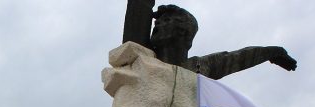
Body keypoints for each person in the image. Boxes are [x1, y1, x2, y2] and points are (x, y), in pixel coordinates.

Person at [122, 0, 297, 78]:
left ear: (184, 32)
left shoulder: (198, 67)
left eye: (166, 20)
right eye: (156, 22)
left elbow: (238, 57)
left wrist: (275, 52)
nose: (157, 25)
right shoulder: (142, 58)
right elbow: (138, 6)